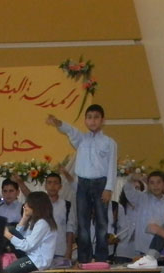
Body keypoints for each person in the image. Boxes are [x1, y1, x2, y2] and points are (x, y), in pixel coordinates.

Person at [46, 105, 116, 264]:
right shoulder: (81, 140)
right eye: (89, 117)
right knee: (82, 223)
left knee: (102, 223)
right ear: (85, 120)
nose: (93, 121)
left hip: (101, 184)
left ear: (103, 120)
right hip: (83, 184)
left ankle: (101, 258)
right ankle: (84, 259)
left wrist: (109, 188)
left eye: (96, 117)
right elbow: (70, 130)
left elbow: (112, 167)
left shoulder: (109, 142)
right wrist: (57, 122)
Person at [2, 191, 57, 273]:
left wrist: (8, 235)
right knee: (10, 229)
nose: (25, 206)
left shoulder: (42, 223)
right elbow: (20, 237)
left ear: (36, 206)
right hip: (30, 255)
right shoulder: (34, 221)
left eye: (28, 203)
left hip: (36, 260)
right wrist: (24, 218)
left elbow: (27, 245)